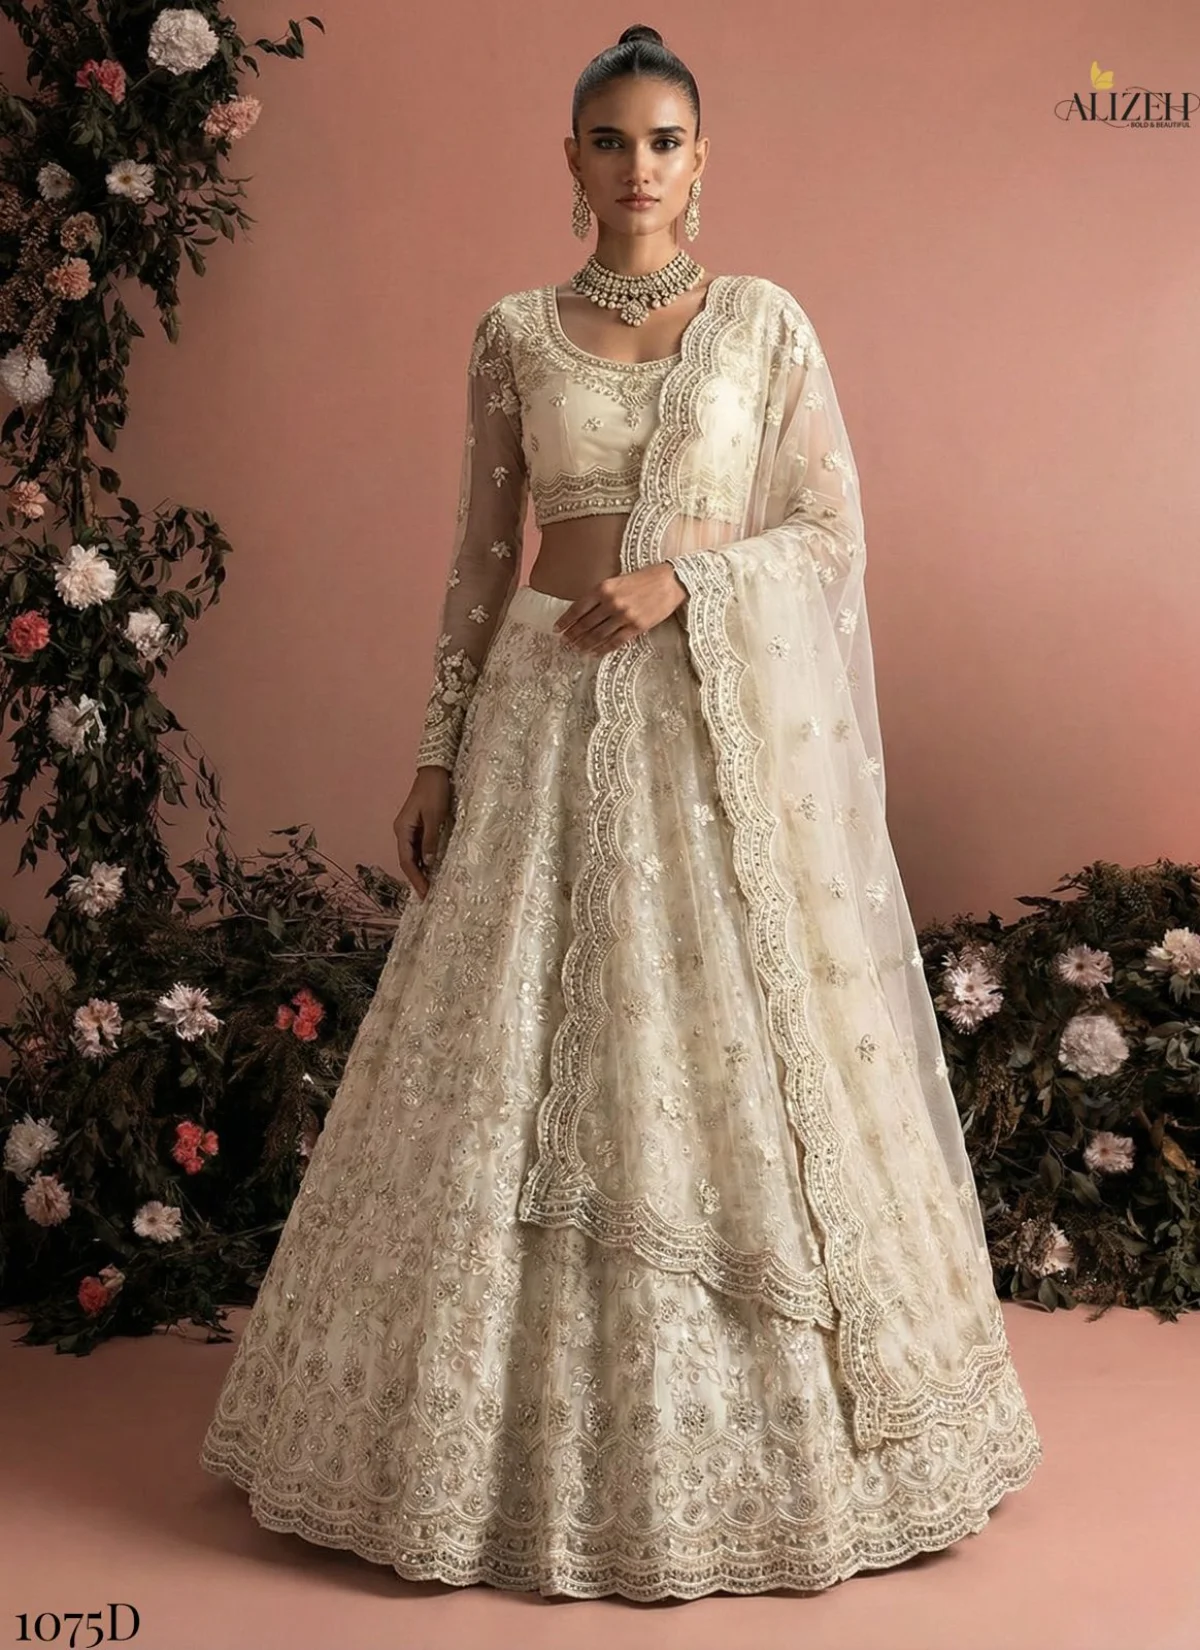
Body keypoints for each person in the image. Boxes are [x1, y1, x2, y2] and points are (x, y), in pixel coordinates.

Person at [199, 25, 1043, 1601]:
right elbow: (480, 558)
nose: (637, 166)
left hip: (704, 731)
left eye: (664, 140)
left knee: (719, 1045)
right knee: (504, 1049)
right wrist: (437, 750)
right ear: (571, 157)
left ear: (701, 158)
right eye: (609, 138)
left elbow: (829, 533)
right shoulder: (514, 333)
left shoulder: (764, 326)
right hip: (540, 714)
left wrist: (684, 582)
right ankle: (465, 1456)